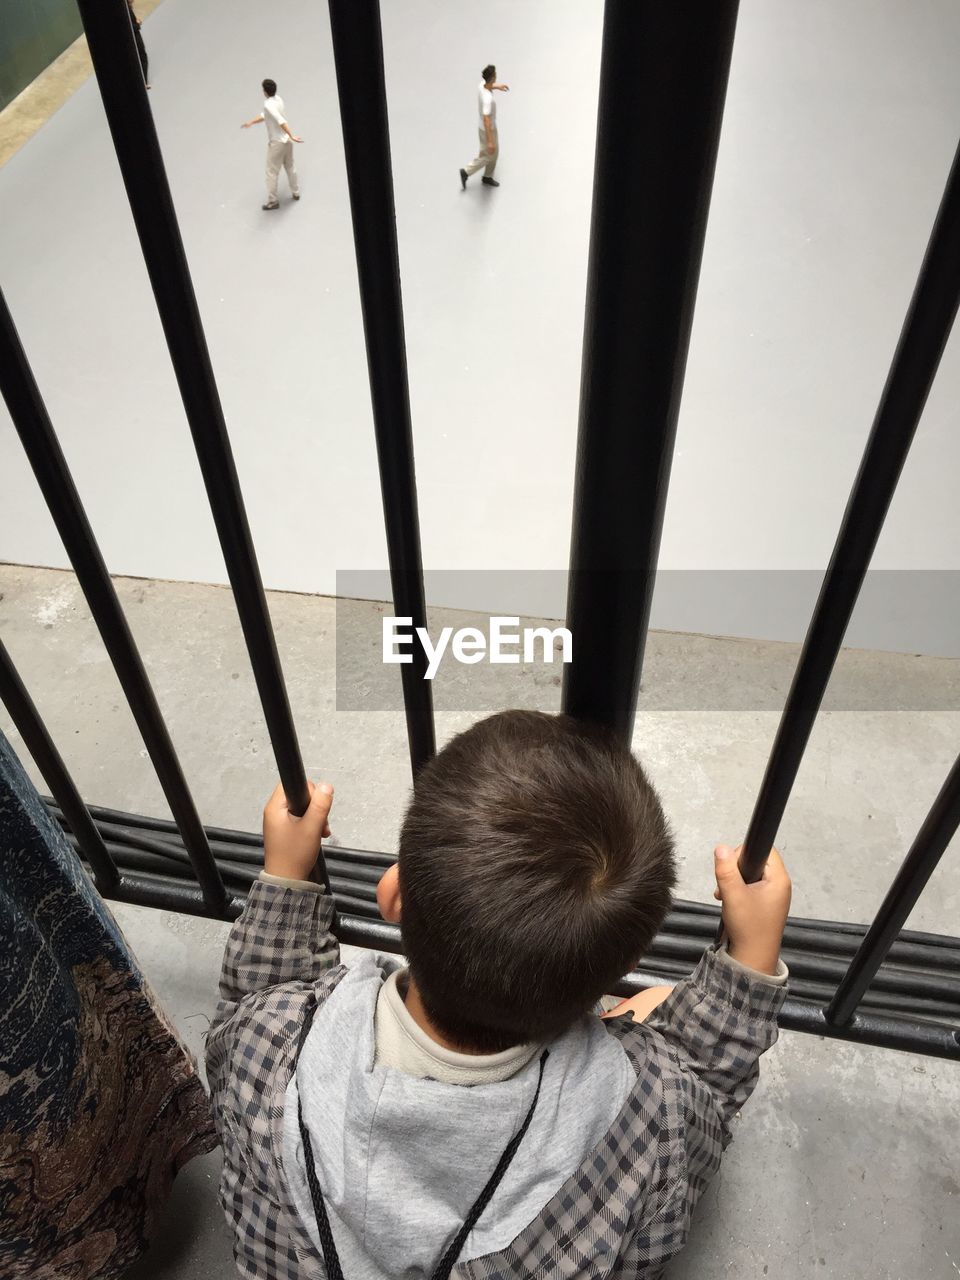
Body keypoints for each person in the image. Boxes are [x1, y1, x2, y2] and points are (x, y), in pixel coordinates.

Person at [206, 710, 791, 1278]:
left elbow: (251, 1001)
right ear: (622, 966)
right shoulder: (653, 1116)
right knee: (654, 1011)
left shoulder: (267, 1047)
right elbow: (703, 1098)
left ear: (393, 895)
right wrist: (750, 960)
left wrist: (286, 874)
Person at [241, 79, 303, 211]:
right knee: (290, 166)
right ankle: (296, 192)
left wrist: (292, 134)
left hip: (277, 144)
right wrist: (251, 122)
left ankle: (273, 201)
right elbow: (265, 116)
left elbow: (281, 121)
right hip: (287, 142)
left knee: (271, 172)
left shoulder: (267, 104)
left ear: (265, 91)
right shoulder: (278, 99)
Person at [460, 63, 509, 190]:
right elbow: (486, 119)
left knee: (490, 153)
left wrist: (498, 86)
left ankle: (487, 176)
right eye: (495, 75)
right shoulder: (488, 99)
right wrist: (490, 141)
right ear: (492, 77)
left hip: (484, 127)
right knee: (489, 155)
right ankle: (466, 172)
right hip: (488, 129)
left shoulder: (482, 84)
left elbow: (488, 86)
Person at [126, 0, 149, 88]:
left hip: (133, 37)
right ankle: (143, 83)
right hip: (135, 36)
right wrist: (138, 24)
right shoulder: (127, 9)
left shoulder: (127, 8)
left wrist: (135, 21)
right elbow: (129, 27)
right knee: (142, 57)